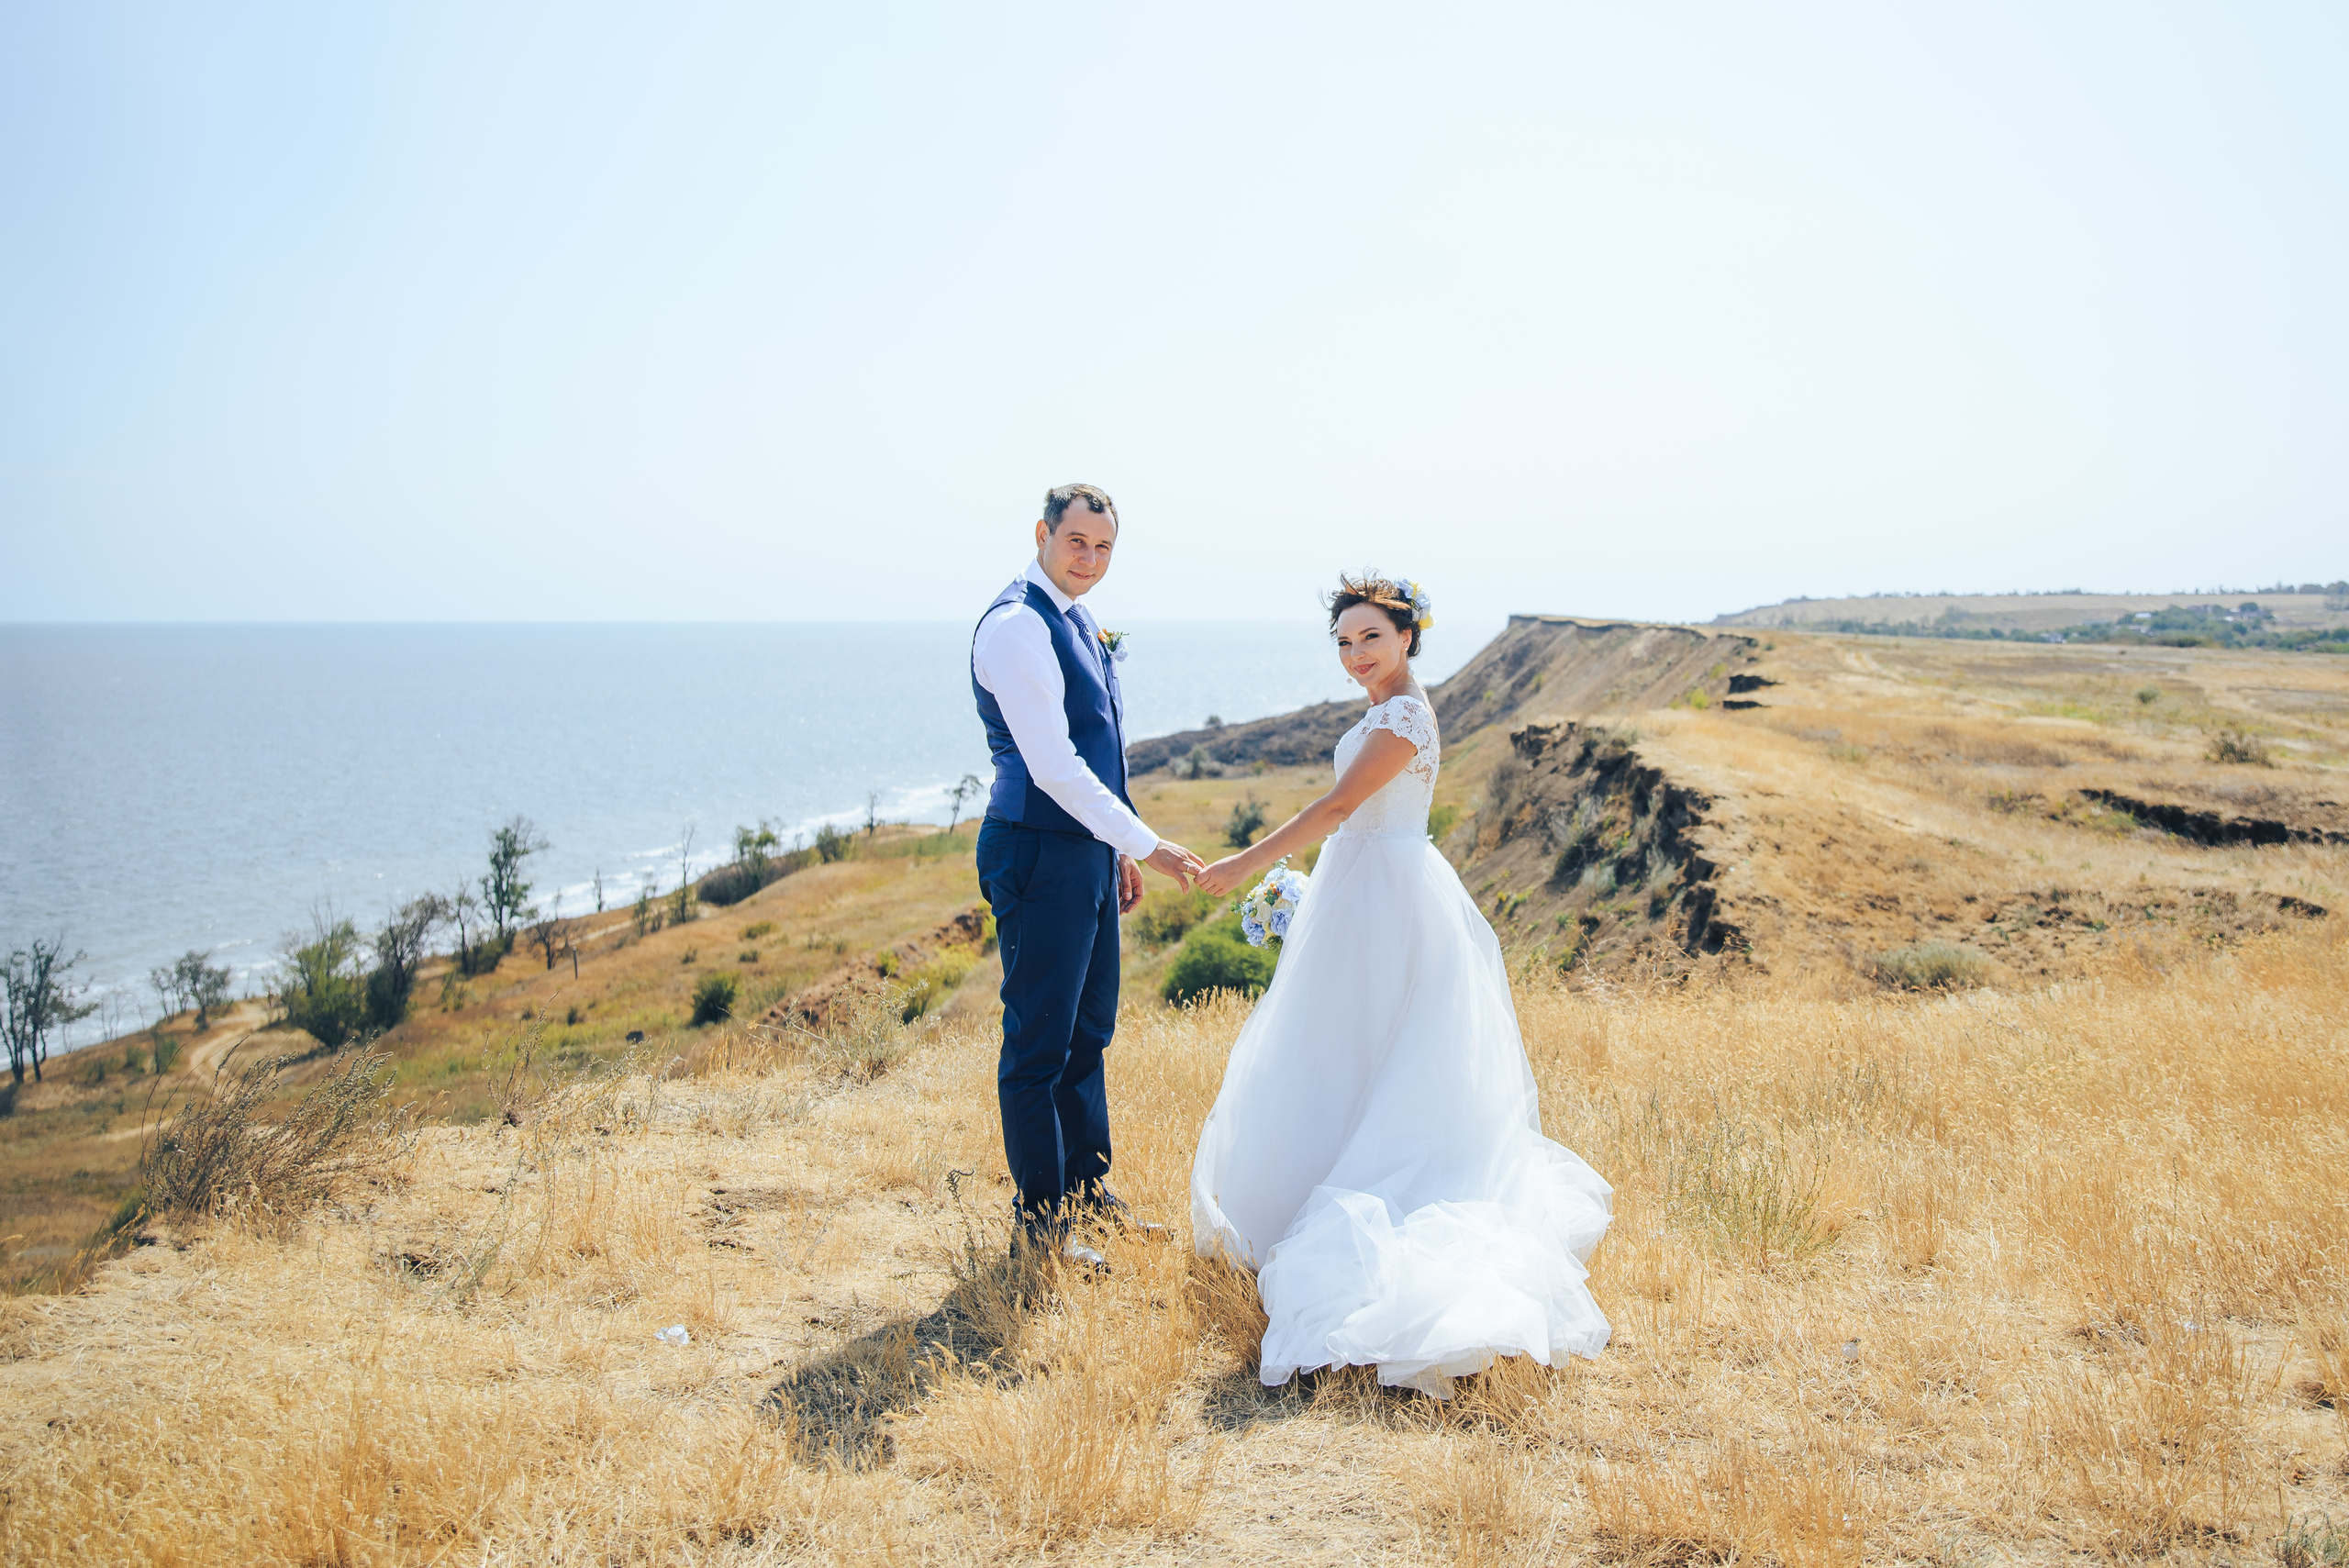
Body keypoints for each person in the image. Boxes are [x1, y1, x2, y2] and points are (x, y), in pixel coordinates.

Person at [1190, 573, 1613, 1396]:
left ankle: (1370, 1214)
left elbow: (1337, 808)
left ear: (1407, 637)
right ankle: (1303, 1195)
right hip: (1363, 889)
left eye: (1371, 638)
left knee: (1376, 1050)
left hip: (1387, 899)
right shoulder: (1384, 709)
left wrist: (1247, 862)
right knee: (1342, 1052)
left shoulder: (1404, 717)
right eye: (1345, 642)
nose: (1356, 654)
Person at [971, 484, 1206, 1268]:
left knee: (1088, 1033)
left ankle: (1085, 1193)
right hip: (1036, 847)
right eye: (1077, 542)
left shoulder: (1074, 617)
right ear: (1042, 533)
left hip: (1084, 853)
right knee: (1039, 1042)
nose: (1091, 559)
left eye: (1104, 547)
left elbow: (1103, 747)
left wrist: (1117, 850)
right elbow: (1055, 766)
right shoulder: (1016, 625)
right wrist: (1150, 843)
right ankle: (1041, 1225)